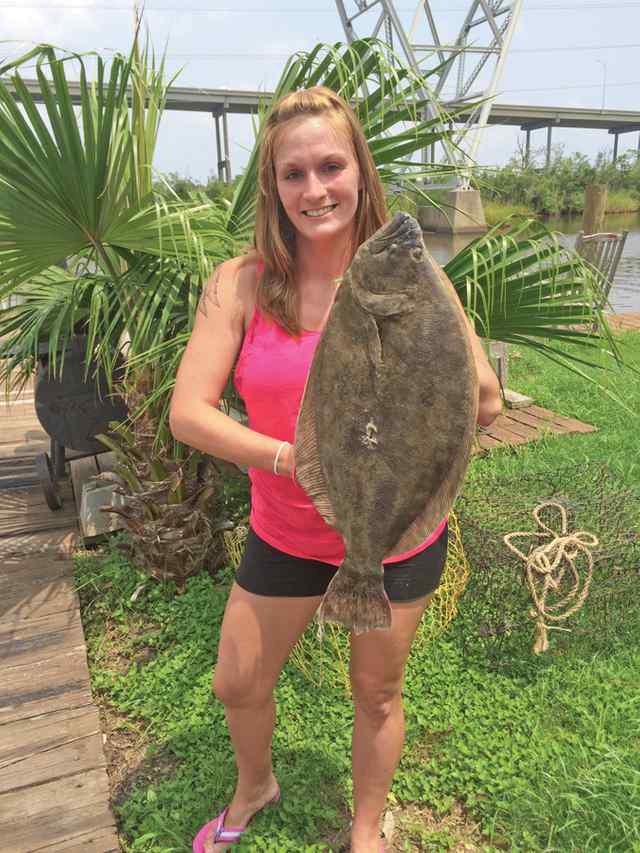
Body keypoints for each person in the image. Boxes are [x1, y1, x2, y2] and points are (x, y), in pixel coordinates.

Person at [169, 86, 502, 853]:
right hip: (287, 528)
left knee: (377, 691)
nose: (315, 189)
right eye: (294, 173)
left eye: (330, 166)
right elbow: (188, 412)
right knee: (237, 680)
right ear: (273, 187)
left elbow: (480, 404)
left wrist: (470, 377)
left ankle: (365, 830)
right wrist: (291, 459)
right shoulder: (240, 284)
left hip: (395, 535)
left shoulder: (419, 281)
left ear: (360, 172)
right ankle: (255, 783)